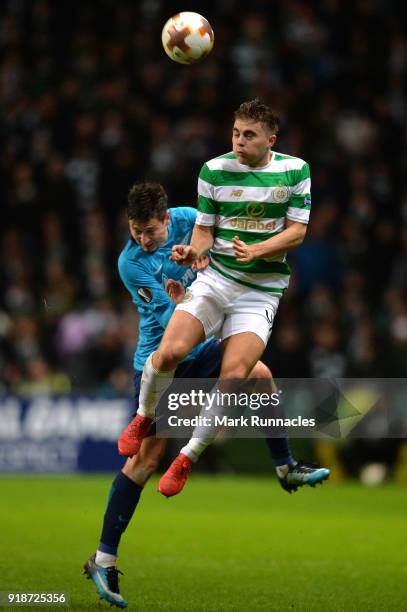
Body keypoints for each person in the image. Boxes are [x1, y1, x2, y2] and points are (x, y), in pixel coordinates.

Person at [84, 181, 329, 608]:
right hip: (161, 360)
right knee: (145, 460)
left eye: (150, 231)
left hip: (203, 347)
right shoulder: (131, 263)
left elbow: (212, 247)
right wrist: (189, 299)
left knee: (261, 374)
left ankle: (284, 465)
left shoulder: (187, 220)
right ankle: (103, 559)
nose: (143, 239)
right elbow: (169, 315)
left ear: (166, 219)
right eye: (135, 231)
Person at [118, 99, 330, 499]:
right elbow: (205, 231)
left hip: (260, 292)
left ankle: (188, 456)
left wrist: (260, 249)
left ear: (271, 139)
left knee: (238, 374)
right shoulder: (213, 170)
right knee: (168, 352)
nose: (239, 141)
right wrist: (194, 253)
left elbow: (298, 232)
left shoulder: (295, 170)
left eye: (248, 135)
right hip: (216, 281)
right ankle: (144, 417)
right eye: (235, 132)